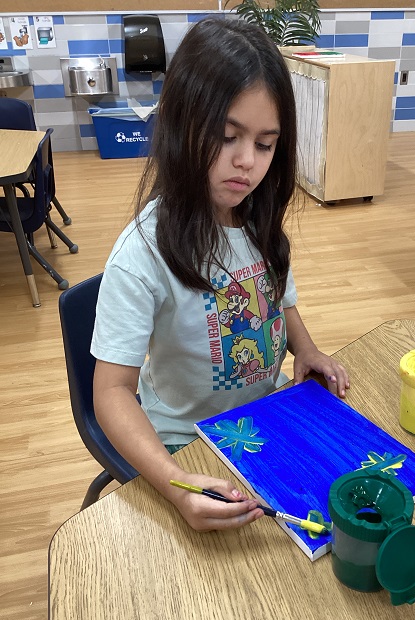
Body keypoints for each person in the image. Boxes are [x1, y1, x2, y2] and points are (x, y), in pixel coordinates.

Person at [91, 17, 349, 533]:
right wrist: (176, 482)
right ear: (183, 123)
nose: (245, 163)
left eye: (265, 144)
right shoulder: (142, 253)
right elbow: (111, 393)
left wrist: (308, 350)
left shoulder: (258, 220)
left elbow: (281, 298)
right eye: (227, 136)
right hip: (188, 445)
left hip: (264, 420)